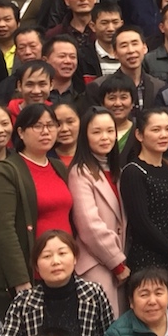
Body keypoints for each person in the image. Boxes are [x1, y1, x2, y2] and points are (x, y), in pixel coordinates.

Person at [0, 103, 73, 315]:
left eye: (51, 125)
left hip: (61, 269)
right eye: (37, 126)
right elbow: (3, 230)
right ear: (21, 132)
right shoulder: (7, 171)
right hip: (29, 273)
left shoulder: (58, 167)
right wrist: (20, 280)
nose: (46, 131)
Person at [119, 108, 168, 295]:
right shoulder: (133, 171)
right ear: (139, 135)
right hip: (147, 259)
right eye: (156, 130)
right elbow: (141, 222)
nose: (163, 135)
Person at [69, 108, 129, 316]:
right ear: (85, 135)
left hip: (120, 260)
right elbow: (89, 225)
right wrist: (117, 263)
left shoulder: (117, 170)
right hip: (97, 262)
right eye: (97, 132)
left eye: (110, 131)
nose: (105, 137)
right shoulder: (80, 172)